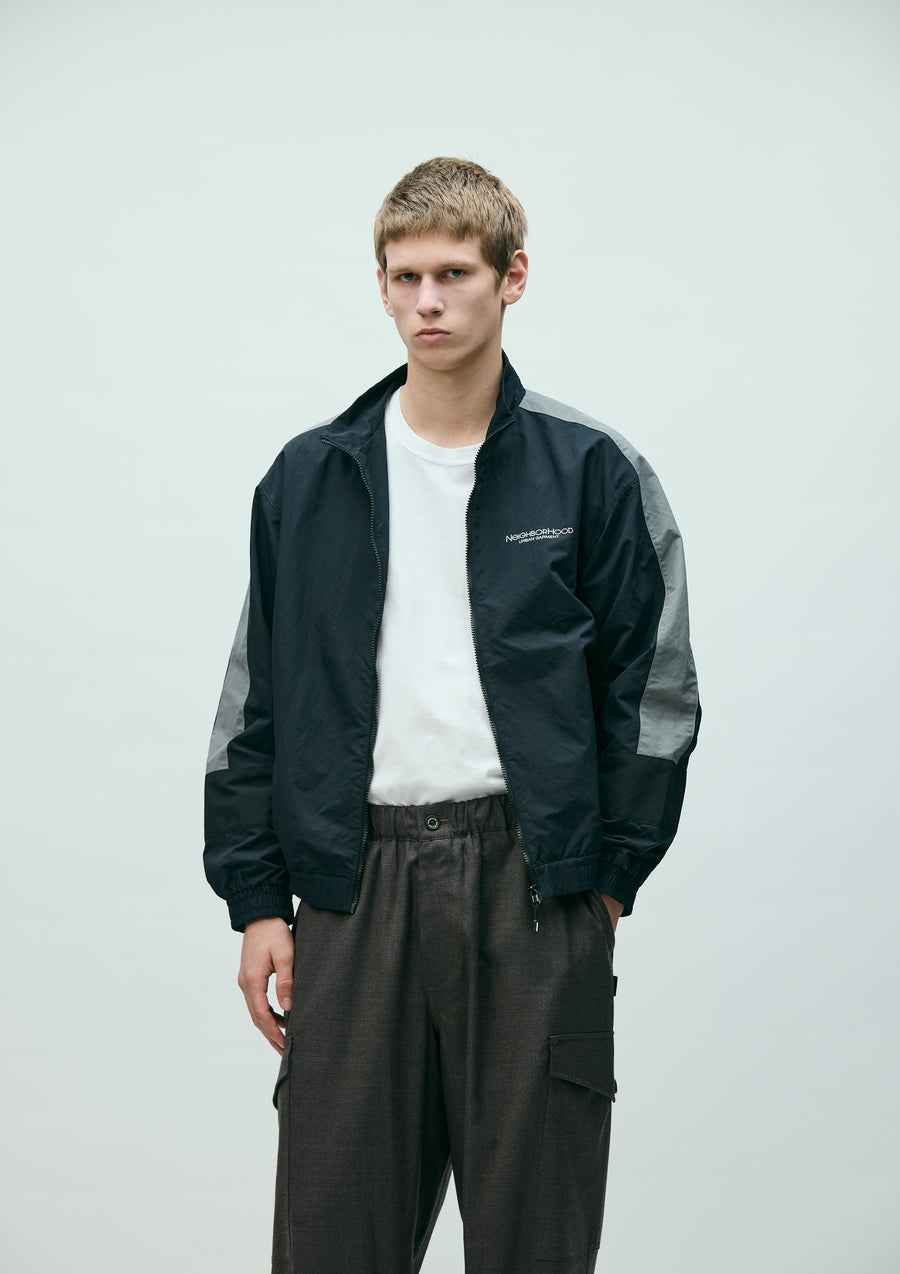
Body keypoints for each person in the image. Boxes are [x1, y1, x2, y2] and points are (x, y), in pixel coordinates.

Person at [204, 156, 700, 1274]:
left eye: (454, 273)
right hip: (352, 885)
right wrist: (258, 899)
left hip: (533, 884)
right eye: (405, 276)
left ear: (512, 276)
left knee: (534, 1241)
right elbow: (256, 699)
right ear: (381, 286)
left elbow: (656, 691)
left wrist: (606, 880)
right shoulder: (308, 480)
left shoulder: (593, 471)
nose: (427, 301)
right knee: (333, 1240)